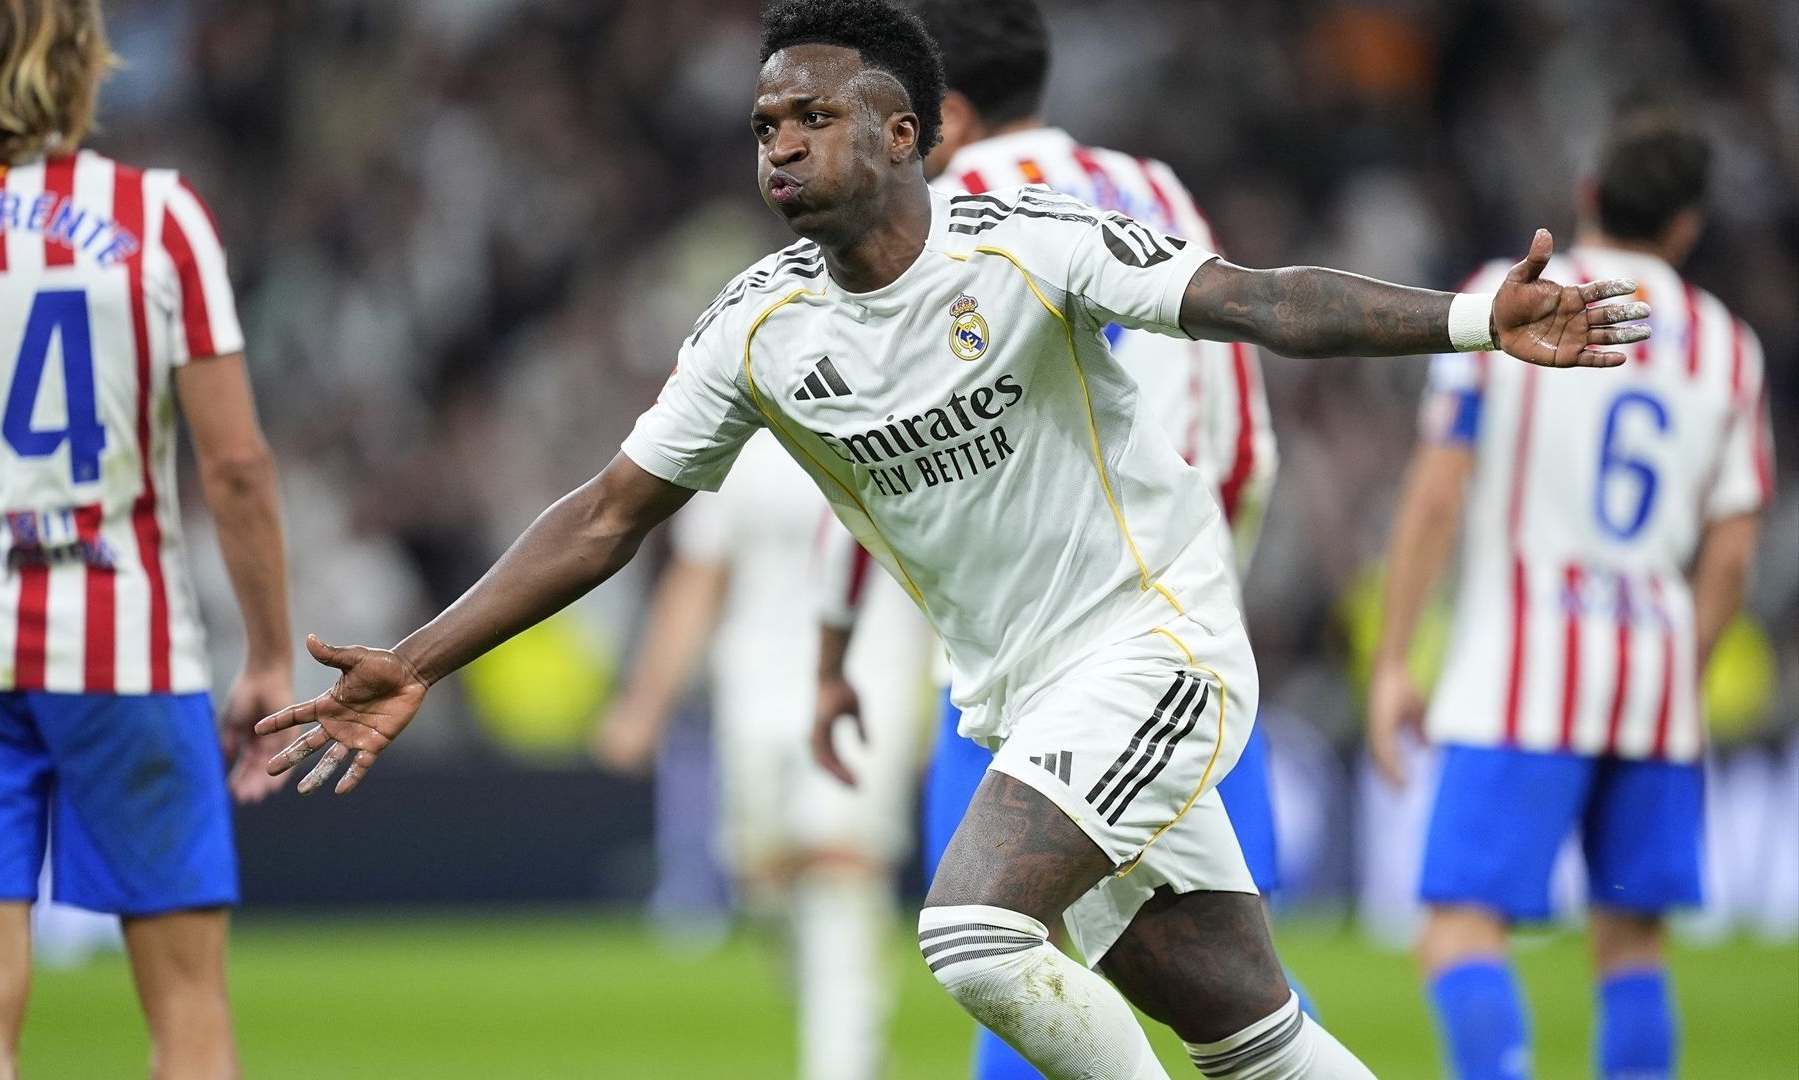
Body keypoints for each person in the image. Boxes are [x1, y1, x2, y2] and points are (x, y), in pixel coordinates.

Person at [257, 2, 1646, 1075]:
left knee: (971, 931)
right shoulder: (759, 328)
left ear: (912, 132)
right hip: (1027, 698)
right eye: (761, 124)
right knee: (1252, 1035)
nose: (779, 145)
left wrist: (1473, 321)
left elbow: (1263, 301)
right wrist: (423, 661)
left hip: (1154, 646)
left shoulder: (1031, 247)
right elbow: (611, 511)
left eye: (811, 116)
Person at [804, 2, 1282, 1074]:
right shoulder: (1155, 191)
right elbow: (1246, 436)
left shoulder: (924, 219)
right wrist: (1208, 598)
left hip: (1011, 651)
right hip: (1179, 634)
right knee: (1235, 993)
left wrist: (832, 652)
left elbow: (866, 468)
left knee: (1002, 943)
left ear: (941, 112)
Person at [0, 1, 295, 1077]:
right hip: (126, 638)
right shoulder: (154, 218)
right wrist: (266, 654)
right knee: (188, 1003)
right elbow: (238, 466)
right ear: (78, 67)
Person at [1368, 109, 1771, 1080]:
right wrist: (1688, 668)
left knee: (1459, 928)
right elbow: (1730, 551)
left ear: (1587, 194)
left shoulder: (1510, 296)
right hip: (1652, 677)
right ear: (1686, 228)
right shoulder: (1729, 347)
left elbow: (1437, 490)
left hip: (1521, 662)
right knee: (1631, 943)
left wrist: (1393, 662)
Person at [590, 430, 930, 1080]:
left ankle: (843, 1062)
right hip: (753, 692)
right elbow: (700, 576)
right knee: (766, 886)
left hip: (868, 680)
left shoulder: (892, 417)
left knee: (839, 864)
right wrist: (646, 702)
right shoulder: (742, 436)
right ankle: (845, 1023)